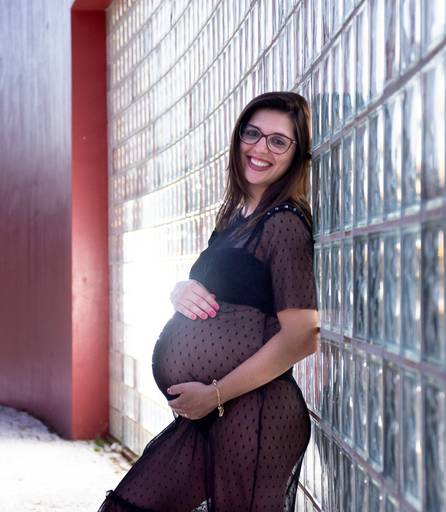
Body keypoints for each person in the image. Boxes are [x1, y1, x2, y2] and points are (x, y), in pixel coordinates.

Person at [98, 91, 319, 512]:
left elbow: (302, 336)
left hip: (255, 414)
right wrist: (180, 289)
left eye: (278, 141)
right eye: (252, 134)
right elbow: (227, 294)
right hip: (215, 414)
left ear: (297, 154)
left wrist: (214, 395)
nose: (260, 148)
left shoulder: (284, 224)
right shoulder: (235, 219)